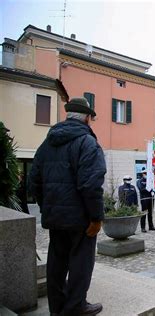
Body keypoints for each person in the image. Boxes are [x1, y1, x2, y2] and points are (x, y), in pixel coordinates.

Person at [29, 97, 105, 315]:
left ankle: (57, 307)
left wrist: (47, 207)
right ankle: (75, 307)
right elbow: (91, 184)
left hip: (55, 216)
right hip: (80, 218)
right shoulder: (87, 143)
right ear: (88, 118)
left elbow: (34, 180)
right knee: (81, 262)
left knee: (57, 262)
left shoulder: (47, 144)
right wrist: (96, 217)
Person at [137, 168, 155, 232]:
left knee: (150, 213)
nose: (146, 175)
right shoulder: (139, 181)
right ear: (143, 174)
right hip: (144, 199)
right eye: (145, 173)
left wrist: (153, 191)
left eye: (147, 173)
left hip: (151, 198)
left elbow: (153, 188)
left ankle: (151, 226)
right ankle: (143, 227)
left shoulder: (150, 181)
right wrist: (149, 190)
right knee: (144, 213)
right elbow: (141, 189)